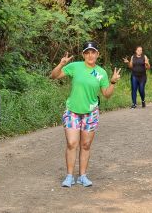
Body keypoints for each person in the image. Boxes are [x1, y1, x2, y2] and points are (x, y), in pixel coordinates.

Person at [50, 41, 121, 187]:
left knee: (86, 144)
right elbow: (54, 76)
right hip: (72, 111)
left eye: (93, 52)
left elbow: (106, 94)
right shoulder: (75, 67)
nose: (90, 55)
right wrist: (61, 64)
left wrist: (113, 82)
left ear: (97, 54)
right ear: (83, 54)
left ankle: (82, 176)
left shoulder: (101, 73)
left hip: (91, 113)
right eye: (87, 52)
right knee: (71, 143)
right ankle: (69, 176)